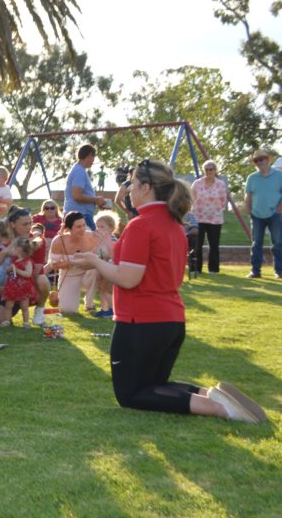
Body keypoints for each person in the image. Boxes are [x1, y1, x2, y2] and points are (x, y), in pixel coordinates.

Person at [68, 159, 266, 423]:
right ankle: (212, 395)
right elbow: (147, 267)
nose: (129, 190)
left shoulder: (142, 224)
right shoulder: (173, 225)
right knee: (155, 385)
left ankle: (220, 408)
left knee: (132, 395)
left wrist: (95, 261)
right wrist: (110, 251)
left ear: (147, 187)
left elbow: (128, 279)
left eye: (133, 184)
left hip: (142, 322)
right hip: (169, 320)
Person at [48, 212, 99, 315]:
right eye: (78, 227)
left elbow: (101, 257)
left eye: (84, 225)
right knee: (68, 310)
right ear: (69, 228)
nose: (83, 229)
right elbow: (53, 265)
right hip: (69, 275)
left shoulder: (91, 237)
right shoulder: (59, 241)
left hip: (89, 274)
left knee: (96, 268)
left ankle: (89, 303)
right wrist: (69, 264)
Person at [244, 149, 282, 279]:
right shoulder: (252, 177)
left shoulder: (279, 175)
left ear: (268, 160)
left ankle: (280, 271)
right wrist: (248, 209)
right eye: (256, 160)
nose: (259, 162)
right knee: (256, 244)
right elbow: (248, 194)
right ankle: (255, 271)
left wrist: (279, 209)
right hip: (257, 215)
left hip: (275, 215)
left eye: (261, 159)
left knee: (278, 243)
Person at [190, 160, 227, 276]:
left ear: (215, 171)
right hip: (198, 217)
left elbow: (223, 200)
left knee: (214, 244)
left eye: (211, 169)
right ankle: (195, 268)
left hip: (215, 219)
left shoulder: (220, 184)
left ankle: (214, 269)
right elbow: (192, 198)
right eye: (206, 169)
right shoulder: (197, 183)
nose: (209, 171)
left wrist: (216, 209)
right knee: (197, 244)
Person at [64, 144, 107, 229]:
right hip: (81, 216)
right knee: (94, 240)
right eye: (93, 157)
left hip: (78, 215)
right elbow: (76, 195)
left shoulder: (78, 170)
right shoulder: (79, 172)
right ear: (89, 155)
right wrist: (96, 199)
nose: (93, 161)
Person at [2, 237, 39, 328]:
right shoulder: (13, 260)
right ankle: (7, 320)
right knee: (8, 304)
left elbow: (28, 274)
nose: (12, 250)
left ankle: (26, 322)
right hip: (12, 286)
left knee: (24, 306)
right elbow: (8, 272)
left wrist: (17, 270)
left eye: (14, 248)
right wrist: (9, 270)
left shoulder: (27, 261)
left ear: (19, 249)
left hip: (23, 287)